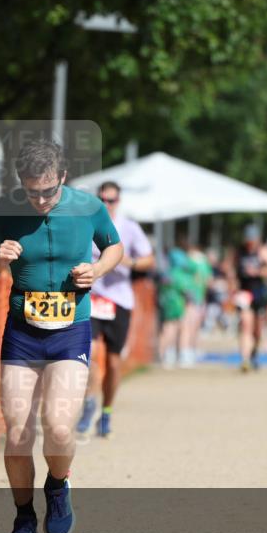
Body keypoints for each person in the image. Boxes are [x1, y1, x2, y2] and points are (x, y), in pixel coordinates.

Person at [0, 139, 123, 533]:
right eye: (32, 191)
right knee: (18, 431)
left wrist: (98, 269)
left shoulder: (88, 207)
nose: (40, 199)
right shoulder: (6, 210)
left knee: (57, 426)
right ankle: (22, 519)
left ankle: (57, 484)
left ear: (63, 178)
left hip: (71, 329)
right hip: (22, 331)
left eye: (48, 191)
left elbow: (115, 246)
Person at [75, 181, 154, 438]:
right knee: (92, 353)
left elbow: (148, 259)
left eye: (112, 200)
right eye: (102, 199)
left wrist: (127, 260)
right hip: (92, 298)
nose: (107, 204)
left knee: (113, 361)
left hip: (119, 301)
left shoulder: (129, 228)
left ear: (118, 201)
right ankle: (89, 404)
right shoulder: (85, 223)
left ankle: (106, 411)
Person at [234, 224, 267, 372]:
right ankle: (244, 359)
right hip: (244, 293)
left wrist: (257, 272)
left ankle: (253, 355)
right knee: (245, 324)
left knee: (257, 329)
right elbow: (230, 269)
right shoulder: (239, 252)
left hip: (259, 293)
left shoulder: (263, 252)